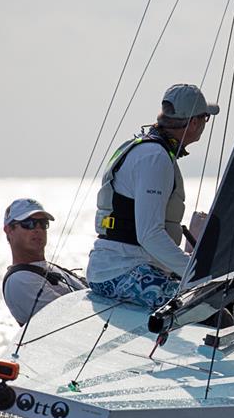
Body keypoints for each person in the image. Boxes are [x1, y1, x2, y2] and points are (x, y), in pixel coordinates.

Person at [86, 84, 219, 309]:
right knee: (210, 308)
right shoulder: (154, 158)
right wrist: (198, 272)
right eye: (205, 118)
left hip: (117, 268)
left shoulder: (148, 148)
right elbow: (150, 235)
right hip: (120, 272)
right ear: (194, 122)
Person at [2, 198, 87, 326]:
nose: (37, 229)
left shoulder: (50, 268)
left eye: (43, 223)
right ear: (9, 230)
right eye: (28, 223)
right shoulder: (19, 280)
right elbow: (69, 322)